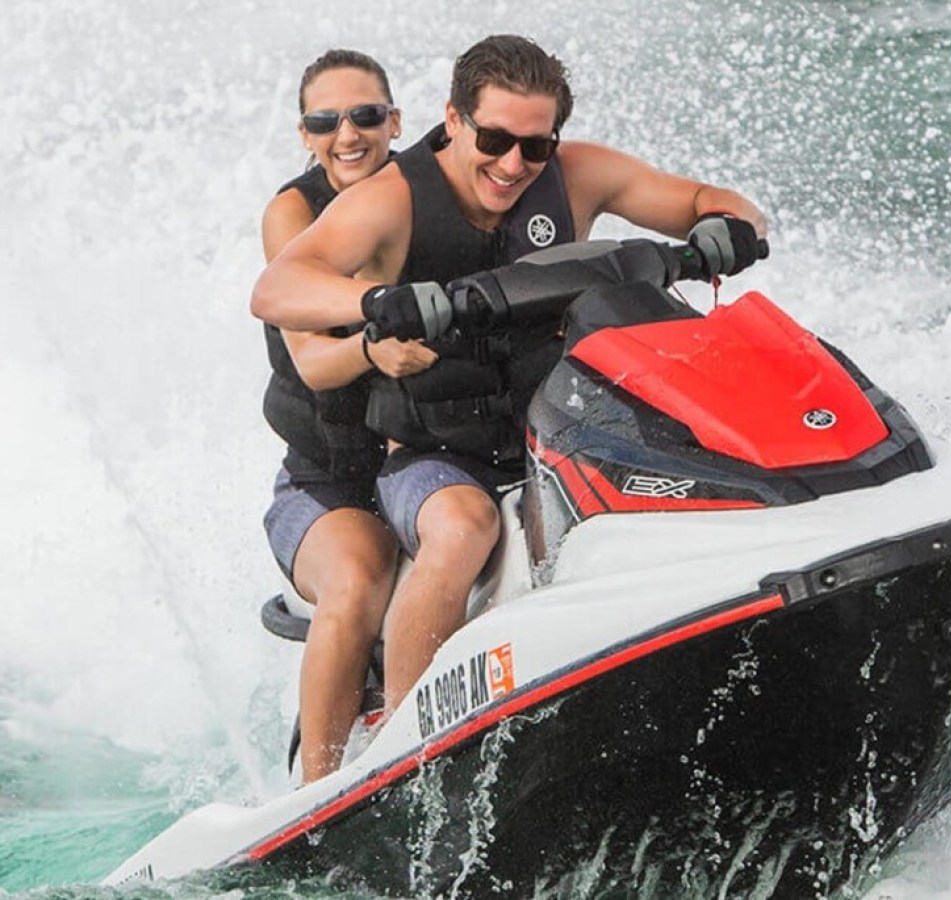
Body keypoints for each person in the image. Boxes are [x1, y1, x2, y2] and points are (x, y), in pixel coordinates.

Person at [252, 34, 767, 736]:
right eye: (494, 139)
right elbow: (278, 287)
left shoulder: (581, 174)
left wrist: (728, 227)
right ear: (455, 119)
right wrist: (372, 305)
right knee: (465, 528)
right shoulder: (392, 200)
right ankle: (410, 745)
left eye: (535, 146)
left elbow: (712, 199)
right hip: (433, 459)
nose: (512, 164)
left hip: (559, 431)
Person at [260, 49, 427, 784]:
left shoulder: (430, 192)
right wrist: (375, 343)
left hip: (433, 461)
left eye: (364, 116)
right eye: (325, 121)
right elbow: (313, 362)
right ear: (305, 133)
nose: (347, 134)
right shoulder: (294, 214)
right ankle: (316, 793)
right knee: (361, 577)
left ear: (396, 121)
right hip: (329, 487)